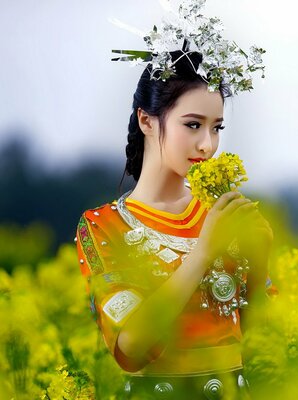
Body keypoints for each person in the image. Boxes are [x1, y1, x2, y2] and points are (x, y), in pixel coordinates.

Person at [74, 48, 277, 399]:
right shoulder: (103, 226)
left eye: (217, 128)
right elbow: (131, 345)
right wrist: (201, 255)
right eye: (193, 125)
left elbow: (266, 343)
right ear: (146, 120)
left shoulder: (221, 213)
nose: (207, 145)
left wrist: (260, 259)